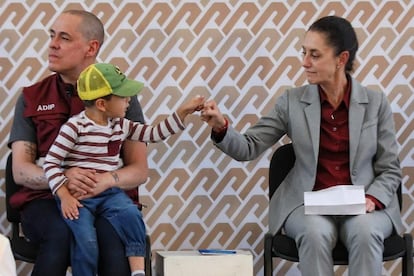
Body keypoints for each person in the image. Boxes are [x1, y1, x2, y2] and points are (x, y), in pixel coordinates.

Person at [200, 15, 403, 276]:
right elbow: (249, 146)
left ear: (341, 59)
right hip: (308, 207)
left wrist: (372, 199)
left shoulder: (376, 103)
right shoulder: (291, 102)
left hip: (363, 206)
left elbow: (390, 169)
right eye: (304, 52)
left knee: (365, 233)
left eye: (315, 55)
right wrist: (220, 126)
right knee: (315, 234)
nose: (304, 62)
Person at [7, 10, 149, 276]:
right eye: (52, 35)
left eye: (64, 37)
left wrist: (105, 180)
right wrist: (63, 179)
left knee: (113, 241)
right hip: (46, 199)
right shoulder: (31, 97)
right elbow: (20, 170)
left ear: (91, 47)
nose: (52, 44)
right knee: (60, 234)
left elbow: (139, 170)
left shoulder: (121, 97)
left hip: (106, 197)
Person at [43, 62, 204, 276]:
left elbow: (154, 133)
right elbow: (51, 163)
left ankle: (137, 271)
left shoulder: (121, 124)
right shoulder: (74, 127)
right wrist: (64, 195)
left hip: (108, 194)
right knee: (86, 242)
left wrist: (183, 112)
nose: (129, 101)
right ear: (102, 103)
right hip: (79, 197)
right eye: (123, 96)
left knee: (131, 215)